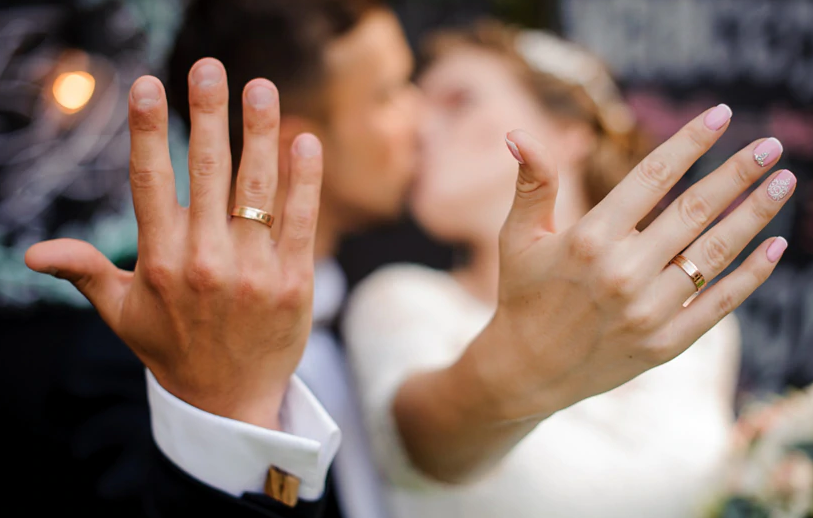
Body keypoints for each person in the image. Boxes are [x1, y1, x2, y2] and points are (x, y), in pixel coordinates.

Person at [22, 2, 795, 518]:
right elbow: (431, 435)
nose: (421, 121)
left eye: (444, 98)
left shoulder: (366, 306)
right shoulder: (118, 354)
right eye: (393, 93)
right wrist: (510, 379)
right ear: (296, 136)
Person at [343, 23, 758, 517]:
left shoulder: (697, 324)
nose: (419, 129)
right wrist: (518, 367)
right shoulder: (398, 298)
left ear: (569, 133)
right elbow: (430, 447)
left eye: (457, 101)